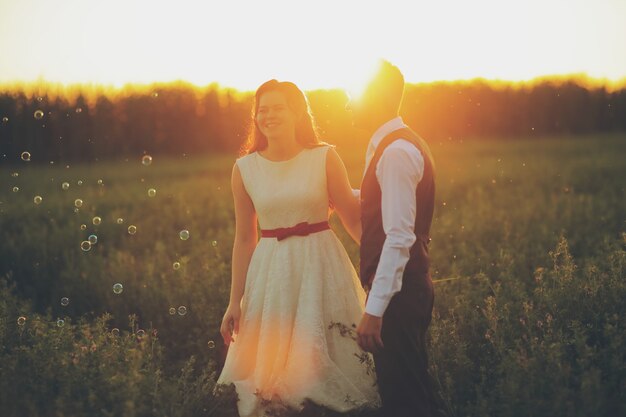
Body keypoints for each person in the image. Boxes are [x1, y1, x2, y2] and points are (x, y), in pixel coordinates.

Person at [216, 79, 381, 417]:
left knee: (329, 350)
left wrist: (383, 269)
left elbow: (352, 220)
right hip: (271, 269)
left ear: (297, 113)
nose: (268, 115)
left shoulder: (323, 156)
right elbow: (245, 238)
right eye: (262, 110)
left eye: (277, 108)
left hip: (321, 263)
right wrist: (235, 301)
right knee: (270, 381)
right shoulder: (244, 169)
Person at [348, 60, 441, 417]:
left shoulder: (396, 153)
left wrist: (375, 309)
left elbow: (399, 236)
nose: (346, 105)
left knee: (406, 401)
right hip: (405, 292)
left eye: (352, 96)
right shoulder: (395, 146)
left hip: (399, 297)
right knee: (412, 390)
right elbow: (382, 202)